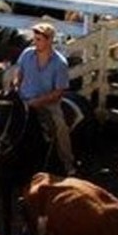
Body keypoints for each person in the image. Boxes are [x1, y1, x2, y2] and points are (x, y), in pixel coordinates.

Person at [11, 21, 76, 175]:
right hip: (24, 98)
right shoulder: (27, 54)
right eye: (35, 38)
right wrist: (16, 83)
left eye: (39, 39)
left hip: (47, 104)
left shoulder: (60, 63)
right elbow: (19, 71)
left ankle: (68, 163)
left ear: (49, 40)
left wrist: (37, 102)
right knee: (3, 119)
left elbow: (59, 91)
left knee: (60, 126)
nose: (35, 41)